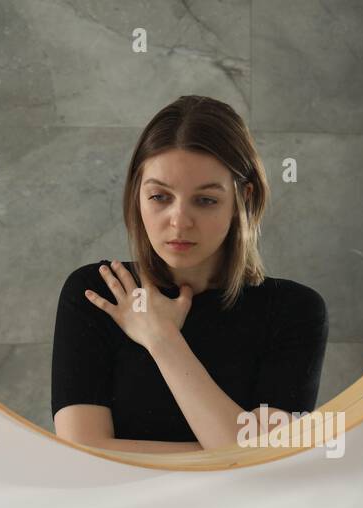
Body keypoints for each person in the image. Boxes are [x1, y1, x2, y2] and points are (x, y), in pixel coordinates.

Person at [51, 95, 328, 454]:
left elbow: (267, 464)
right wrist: (223, 451)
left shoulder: (294, 311)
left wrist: (163, 339)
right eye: (160, 197)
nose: (179, 221)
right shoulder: (100, 292)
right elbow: (82, 454)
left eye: (206, 200)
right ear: (137, 194)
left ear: (242, 199)